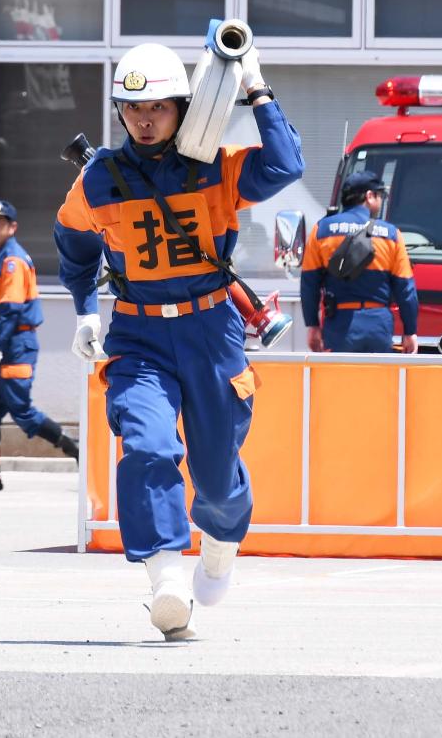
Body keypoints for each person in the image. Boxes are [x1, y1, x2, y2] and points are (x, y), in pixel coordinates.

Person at [55, 42, 303, 639]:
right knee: (146, 444)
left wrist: (256, 86)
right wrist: (87, 312)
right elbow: (74, 246)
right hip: (139, 334)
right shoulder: (99, 180)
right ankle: (165, 577)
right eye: (132, 108)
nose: (144, 119)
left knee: (217, 476)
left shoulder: (215, 164)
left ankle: (220, 543)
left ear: (183, 108)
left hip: (211, 329)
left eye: (159, 108)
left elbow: (286, 165)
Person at [0, 200, 78, 494]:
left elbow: (12, 310)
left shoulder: (11, 261)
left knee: (22, 411)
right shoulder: (0, 257)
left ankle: (78, 450)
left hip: (16, 346)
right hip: (7, 343)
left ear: (12, 227)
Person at [300, 171, 417, 355]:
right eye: (380, 196)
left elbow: (309, 284)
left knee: (339, 381)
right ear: (369, 196)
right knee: (380, 382)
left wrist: (312, 325)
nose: (381, 202)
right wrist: (410, 331)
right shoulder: (392, 234)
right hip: (378, 325)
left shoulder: (321, 230)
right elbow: (406, 289)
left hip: (339, 325)